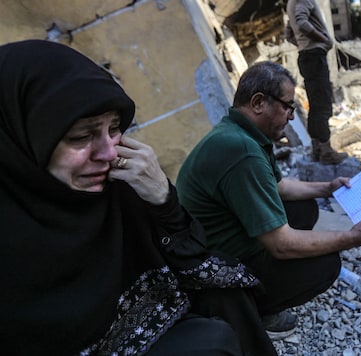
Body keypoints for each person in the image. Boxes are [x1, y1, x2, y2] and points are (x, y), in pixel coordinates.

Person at [0, 39, 277, 356]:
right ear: (21, 140)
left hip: (143, 322)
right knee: (208, 344)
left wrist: (164, 201)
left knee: (226, 296)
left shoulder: (115, 186)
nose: (108, 153)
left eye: (114, 128)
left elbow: (193, 257)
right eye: (81, 136)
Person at [176, 61, 361, 339]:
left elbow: (279, 187)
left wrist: (328, 188)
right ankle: (251, 307)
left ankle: (261, 290)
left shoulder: (241, 134)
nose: (290, 116)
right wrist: (352, 237)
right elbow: (282, 245)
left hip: (216, 240)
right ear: (259, 102)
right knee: (325, 265)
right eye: (287, 106)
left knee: (302, 208)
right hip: (211, 267)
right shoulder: (242, 151)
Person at [285, 0, 348, 164]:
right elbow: (301, 23)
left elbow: (289, 34)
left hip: (306, 56)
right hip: (314, 56)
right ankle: (326, 152)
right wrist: (325, 40)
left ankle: (317, 150)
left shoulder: (291, 3)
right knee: (323, 105)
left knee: (316, 104)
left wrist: (302, 44)